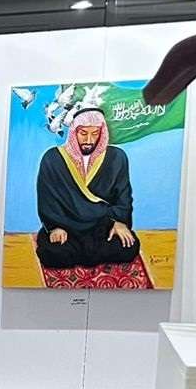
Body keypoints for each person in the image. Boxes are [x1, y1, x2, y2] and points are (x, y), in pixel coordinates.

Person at [33, 107, 138, 270]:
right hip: (68, 227)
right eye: (83, 133)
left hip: (103, 226)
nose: (89, 139)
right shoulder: (53, 158)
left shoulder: (117, 157)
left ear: (102, 133)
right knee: (55, 253)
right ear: (74, 132)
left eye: (95, 133)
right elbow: (47, 198)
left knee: (128, 247)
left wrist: (119, 222)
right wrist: (55, 227)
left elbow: (123, 195)